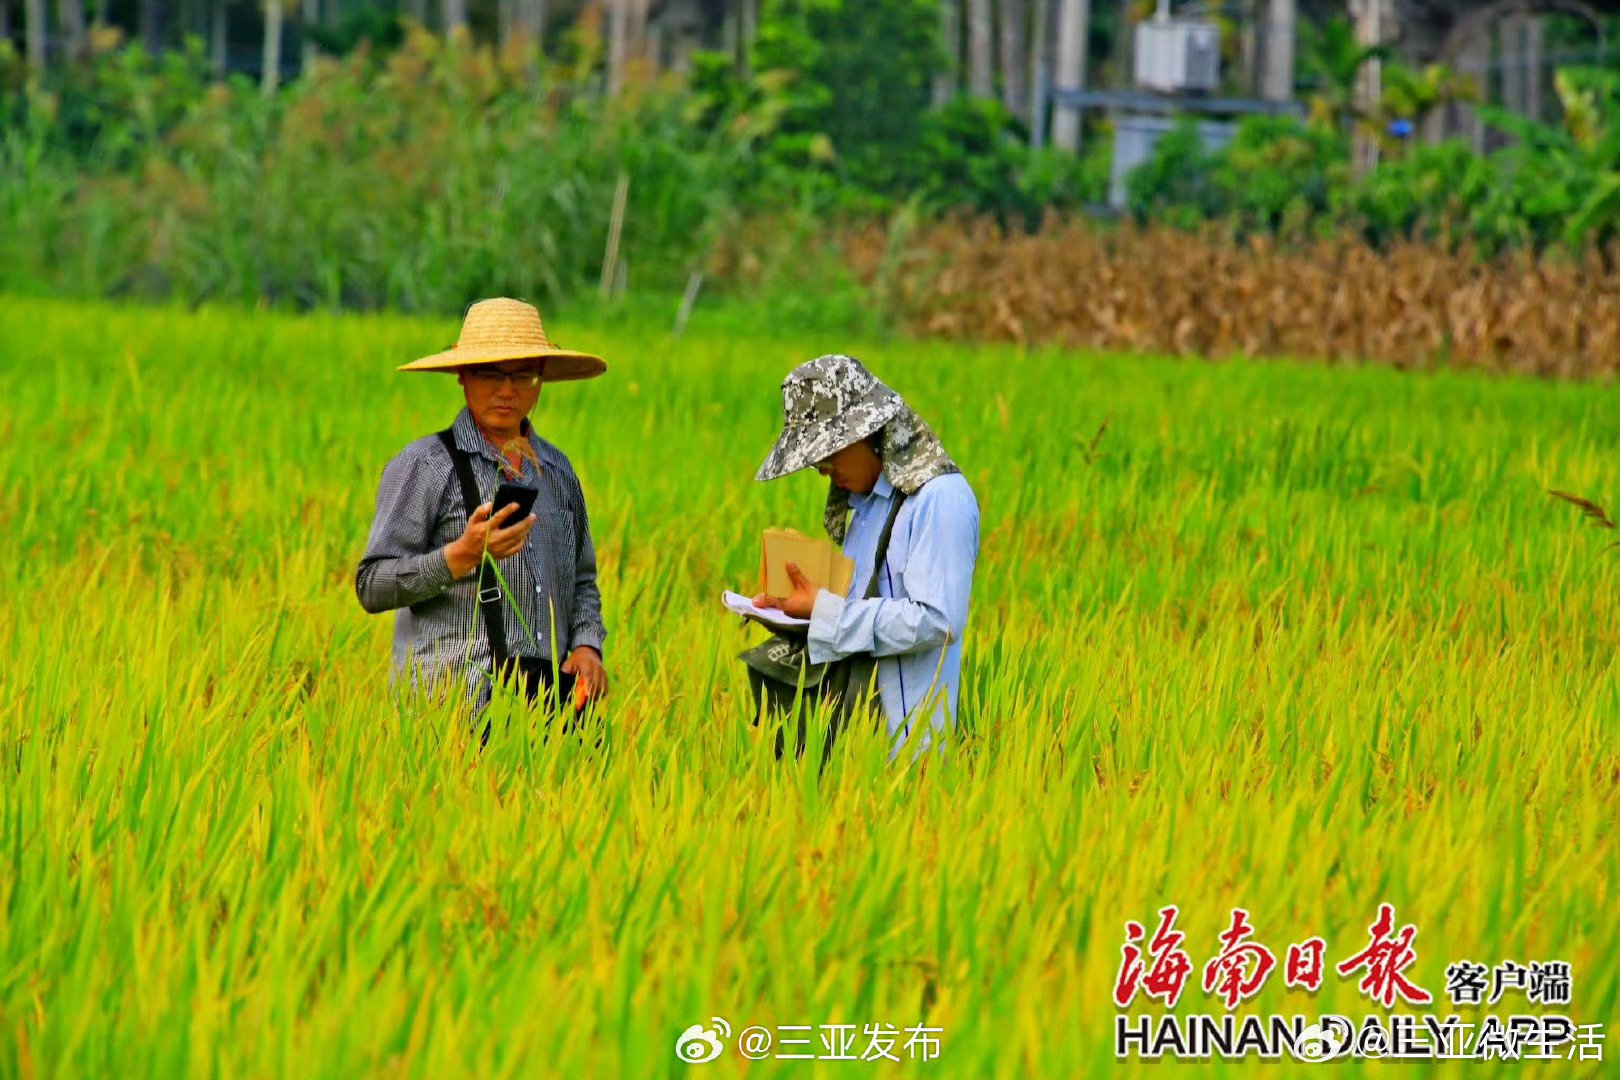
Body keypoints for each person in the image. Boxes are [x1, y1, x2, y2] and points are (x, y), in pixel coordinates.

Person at [355, 297, 609, 731]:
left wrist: (587, 647)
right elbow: (372, 585)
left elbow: (582, 579)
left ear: (541, 378)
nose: (507, 390)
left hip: (546, 713)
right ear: (462, 375)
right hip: (449, 715)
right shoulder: (426, 465)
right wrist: (461, 556)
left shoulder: (558, 471)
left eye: (522, 374)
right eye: (490, 373)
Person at [751, 354, 979, 760]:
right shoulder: (869, 509)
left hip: (912, 753)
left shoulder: (938, 499)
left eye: (829, 453)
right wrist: (796, 610)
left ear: (868, 432)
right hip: (857, 740)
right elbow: (858, 616)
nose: (822, 470)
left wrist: (824, 611)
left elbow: (938, 621)